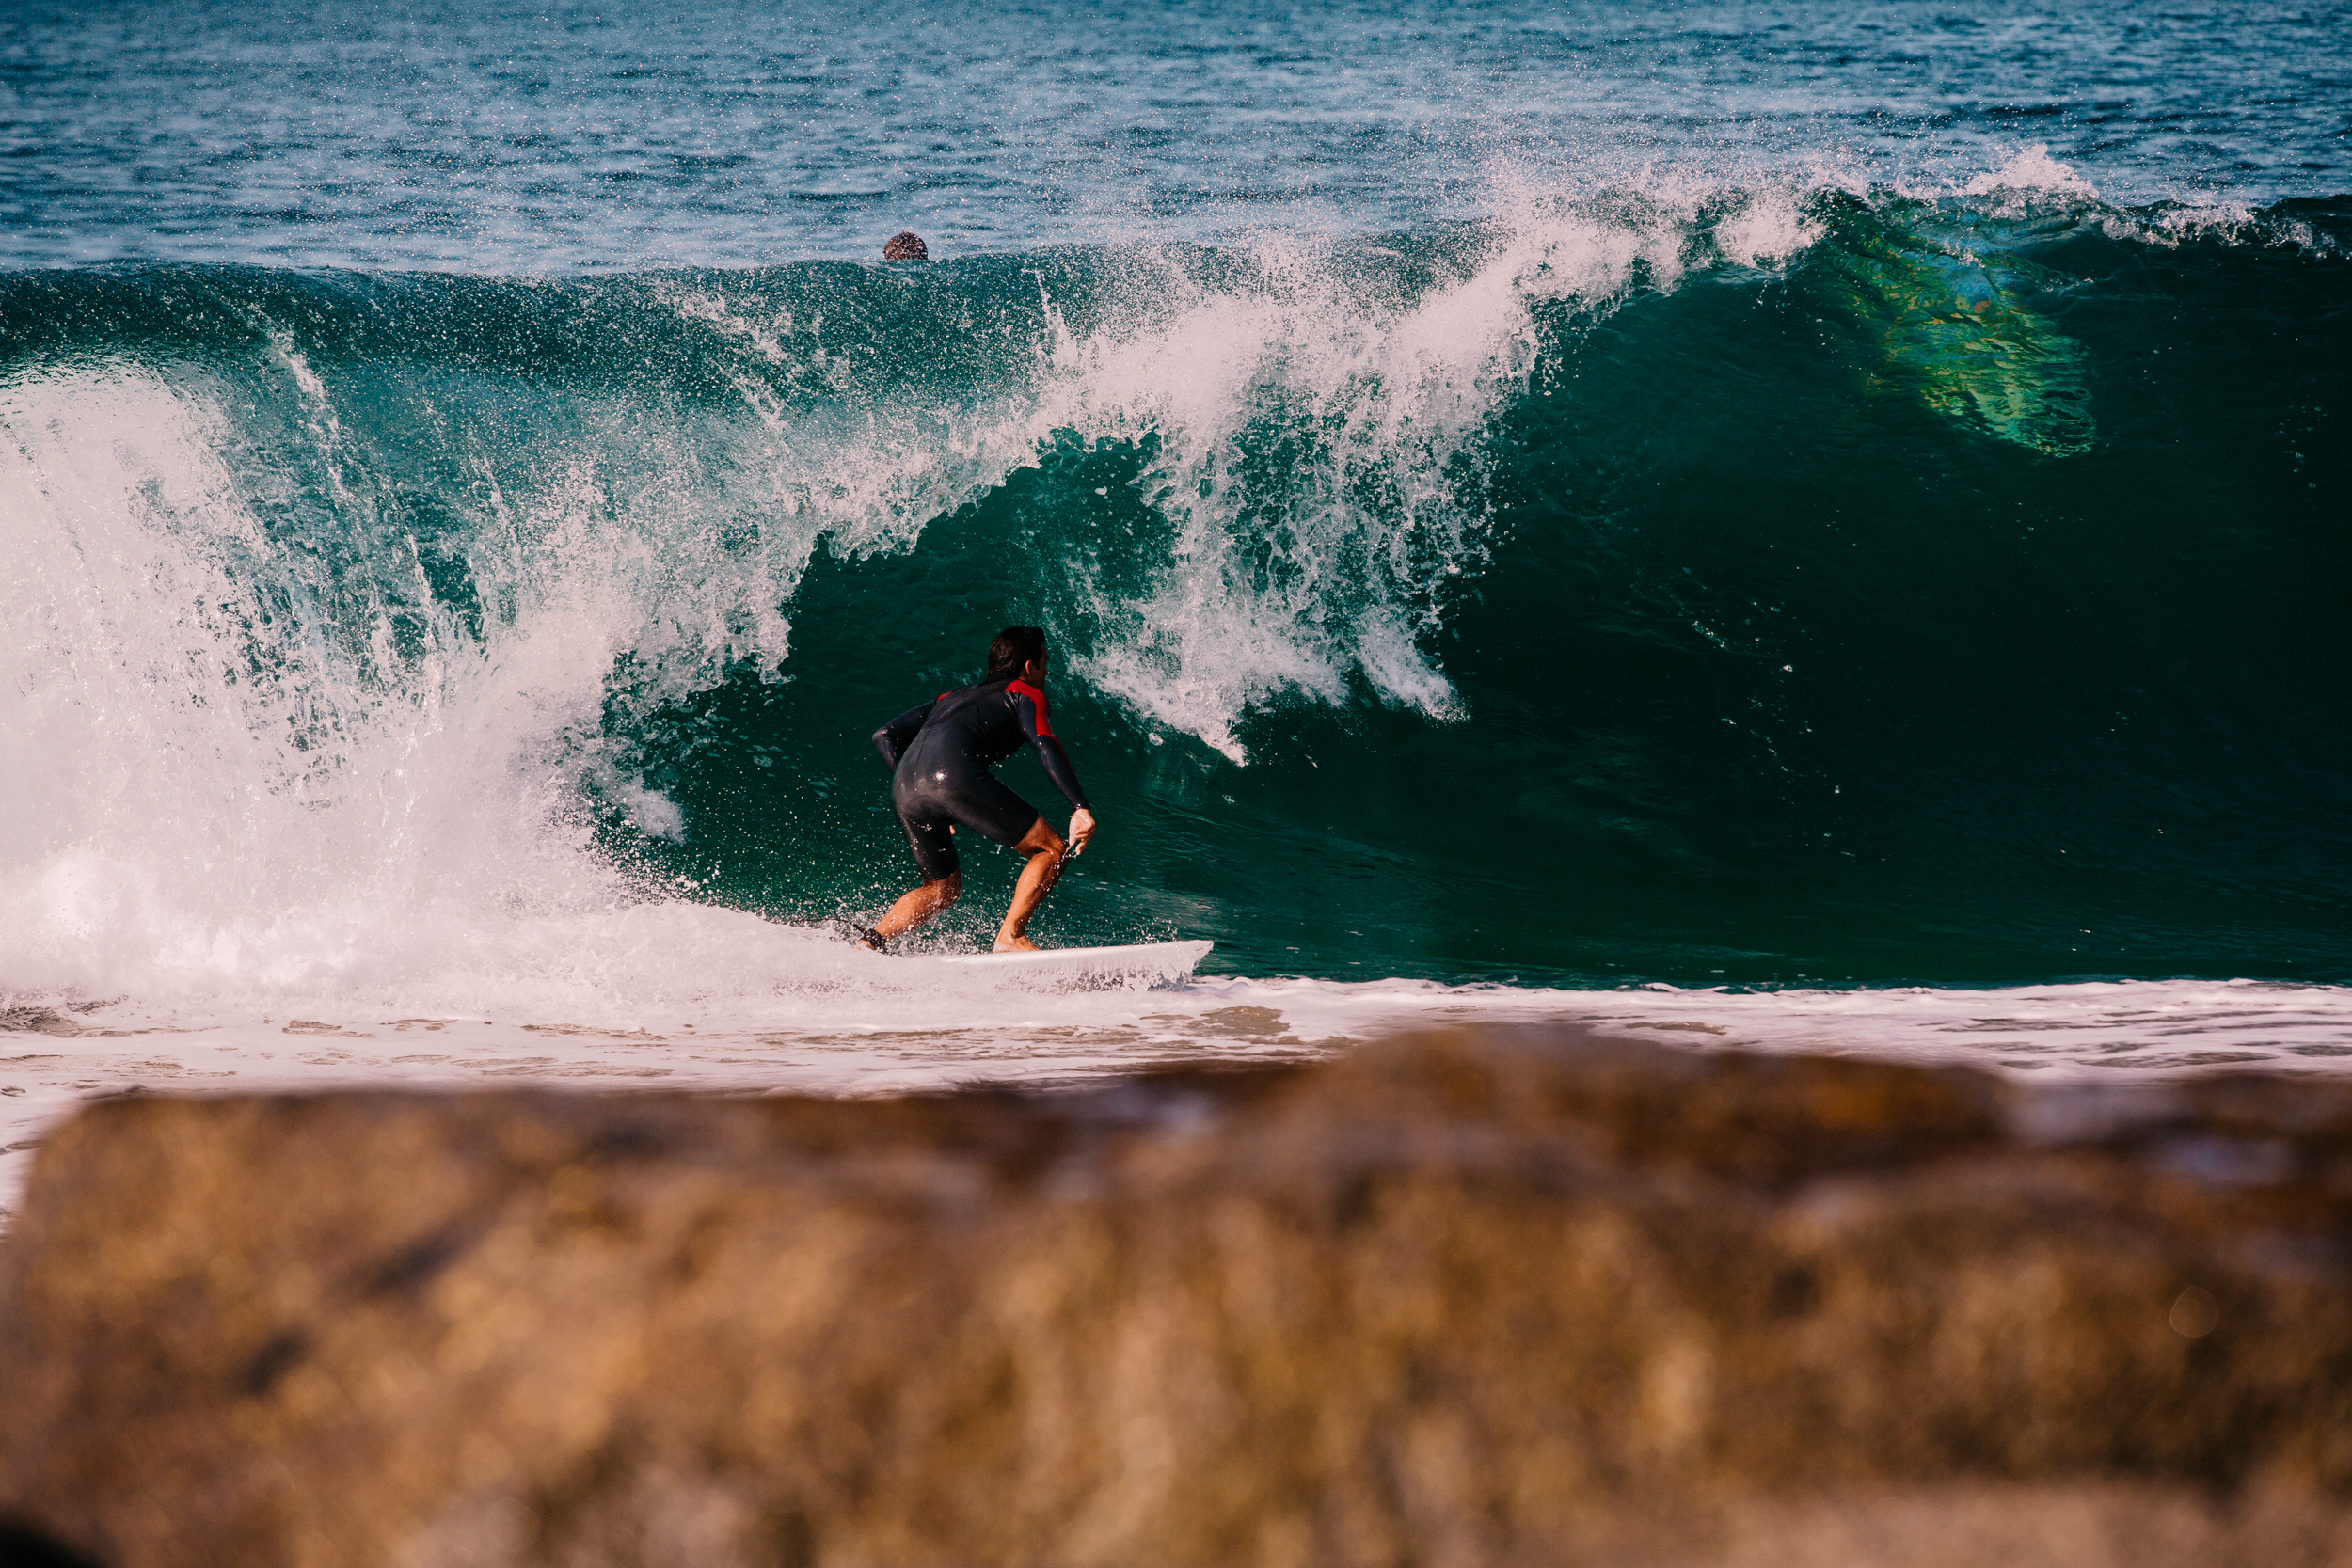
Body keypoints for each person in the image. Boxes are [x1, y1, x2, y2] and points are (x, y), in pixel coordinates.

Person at [862, 626, 1097, 952]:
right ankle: (1011, 937)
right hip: (953, 778)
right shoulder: (1024, 693)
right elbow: (1043, 743)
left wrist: (926, 791)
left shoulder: (950, 697)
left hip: (903, 788)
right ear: (1029, 666)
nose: (1047, 671)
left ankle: (870, 943)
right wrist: (1078, 806)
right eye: (1045, 662)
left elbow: (884, 735)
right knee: (1052, 849)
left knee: (941, 889)